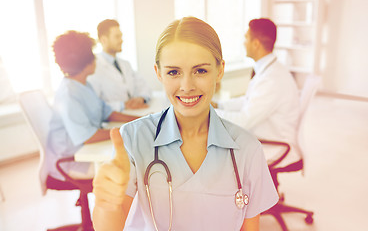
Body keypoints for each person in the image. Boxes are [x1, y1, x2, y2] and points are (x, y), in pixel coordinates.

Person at [92, 17, 278, 231]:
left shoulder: (248, 149)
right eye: (173, 72)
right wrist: (106, 205)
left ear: (219, 70)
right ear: (159, 73)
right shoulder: (134, 138)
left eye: (200, 71)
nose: (187, 86)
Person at [47, 31, 140, 181]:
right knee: (130, 169)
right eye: (92, 54)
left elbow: (107, 112)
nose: (95, 58)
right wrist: (127, 131)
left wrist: (140, 120)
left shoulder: (84, 84)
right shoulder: (68, 94)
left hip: (88, 151)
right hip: (73, 161)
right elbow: (89, 137)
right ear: (86, 61)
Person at [213, 18, 300, 164]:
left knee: (215, 148)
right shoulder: (270, 70)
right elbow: (249, 100)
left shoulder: (271, 79)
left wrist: (208, 113)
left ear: (256, 44)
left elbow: (244, 121)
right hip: (266, 135)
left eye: (246, 38)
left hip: (274, 144)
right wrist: (220, 105)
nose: (243, 43)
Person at [87, 19, 151, 112]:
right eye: (117, 37)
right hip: (112, 120)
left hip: (133, 113)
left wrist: (141, 98)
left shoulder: (125, 64)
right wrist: (123, 105)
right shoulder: (94, 67)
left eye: (121, 36)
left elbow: (144, 85)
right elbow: (93, 103)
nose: (121, 40)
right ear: (104, 40)